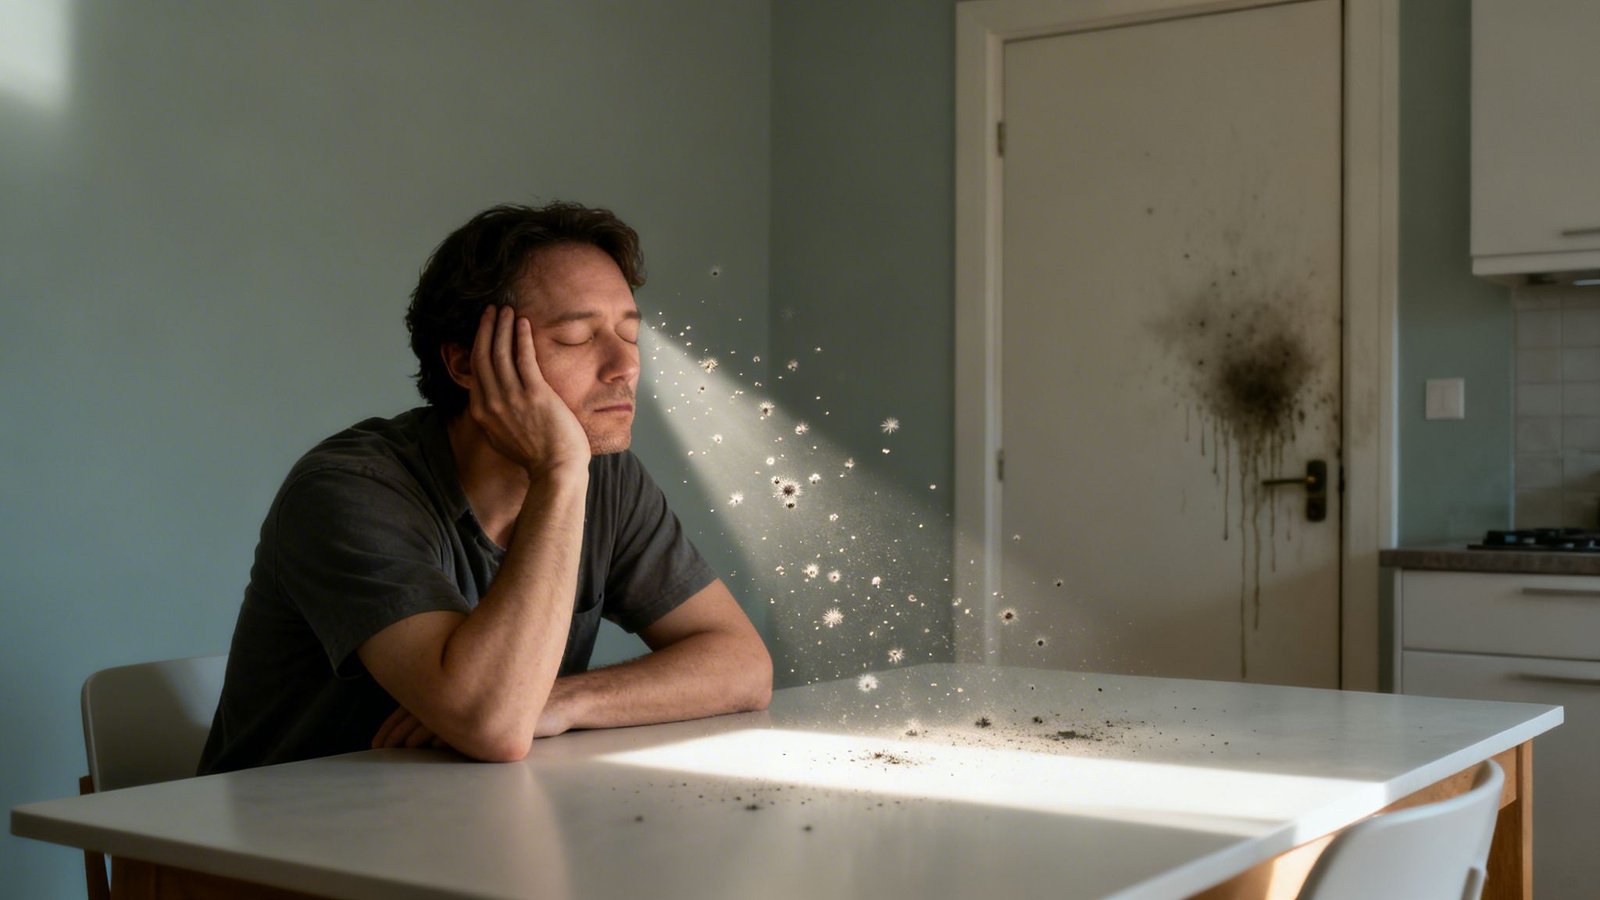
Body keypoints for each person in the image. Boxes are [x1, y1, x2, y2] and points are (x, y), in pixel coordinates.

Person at [199, 202, 772, 774]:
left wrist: (564, 701)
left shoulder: (608, 478)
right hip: (268, 850)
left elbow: (744, 666)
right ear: (467, 364)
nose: (624, 365)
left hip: (458, 830)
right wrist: (559, 470)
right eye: (576, 337)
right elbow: (492, 725)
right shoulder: (348, 491)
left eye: (631, 334)